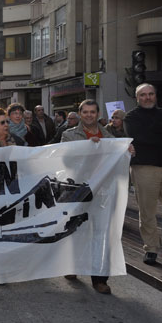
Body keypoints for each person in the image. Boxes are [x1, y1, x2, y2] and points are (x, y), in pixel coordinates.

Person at [61, 99, 116, 294]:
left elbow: (118, 156)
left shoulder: (110, 136)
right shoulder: (68, 135)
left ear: (98, 113)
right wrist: (87, 146)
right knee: (76, 230)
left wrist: (128, 151)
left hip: (103, 191)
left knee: (101, 233)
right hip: (78, 190)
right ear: (80, 114)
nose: (89, 115)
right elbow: (66, 159)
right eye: (85, 112)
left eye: (93, 112)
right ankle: (72, 265)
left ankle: (100, 278)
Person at [125, 84, 162, 267]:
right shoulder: (132, 117)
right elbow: (141, 138)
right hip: (144, 169)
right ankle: (151, 249)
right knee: (147, 212)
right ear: (137, 98)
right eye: (143, 95)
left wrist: (155, 128)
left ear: (156, 96)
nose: (147, 97)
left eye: (150, 94)